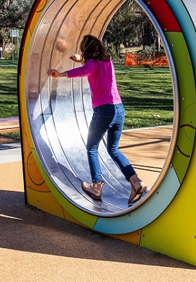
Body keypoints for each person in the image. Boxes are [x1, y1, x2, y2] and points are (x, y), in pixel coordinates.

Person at [47, 35, 147, 203]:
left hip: (104, 110)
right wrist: (81, 60)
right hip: (119, 109)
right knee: (113, 149)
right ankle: (136, 182)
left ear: (86, 50)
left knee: (92, 148)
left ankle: (96, 186)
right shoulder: (108, 62)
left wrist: (60, 74)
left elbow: (83, 71)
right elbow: (92, 67)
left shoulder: (91, 65)